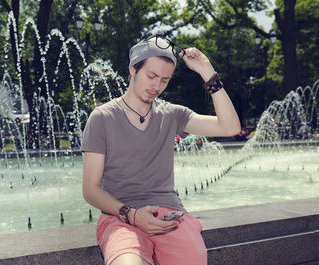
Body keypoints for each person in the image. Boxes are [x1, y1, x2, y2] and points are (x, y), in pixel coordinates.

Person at [81, 35, 240, 265]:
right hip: (121, 217)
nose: (157, 87)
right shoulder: (103, 117)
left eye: (164, 80)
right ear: (133, 69)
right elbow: (90, 189)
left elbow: (230, 127)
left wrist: (208, 72)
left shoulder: (173, 114)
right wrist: (132, 214)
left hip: (170, 217)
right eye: (152, 76)